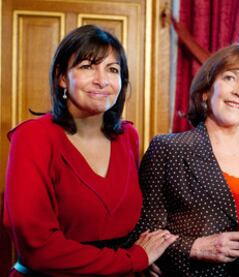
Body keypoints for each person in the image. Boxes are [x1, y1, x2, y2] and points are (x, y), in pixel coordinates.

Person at [3, 25, 177, 276]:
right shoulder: (33, 137)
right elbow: (37, 247)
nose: (102, 80)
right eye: (87, 66)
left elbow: (128, 227)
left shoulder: (128, 136)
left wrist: (142, 258)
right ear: (62, 77)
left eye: (113, 69)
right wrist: (132, 259)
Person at [128, 44, 239, 276]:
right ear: (206, 90)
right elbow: (143, 234)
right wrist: (195, 247)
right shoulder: (168, 149)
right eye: (230, 78)